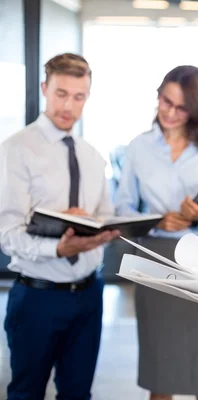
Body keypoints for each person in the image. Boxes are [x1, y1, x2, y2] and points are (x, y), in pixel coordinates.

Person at [0, 53, 120, 399]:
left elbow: (106, 215)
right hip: (37, 297)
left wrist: (100, 229)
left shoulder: (92, 156)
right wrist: (58, 247)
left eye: (79, 96)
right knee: (27, 393)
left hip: (88, 296)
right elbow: (8, 235)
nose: (69, 105)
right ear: (44, 89)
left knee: (78, 394)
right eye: (61, 94)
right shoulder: (16, 150)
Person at [115, 65, 198, 400]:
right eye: (165, 101)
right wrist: (155, 220)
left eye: (181, 107)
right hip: (153, 258)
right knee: (160, 371)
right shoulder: (138, 147)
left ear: (196, 110)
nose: (169, 112)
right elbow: (121, 208)